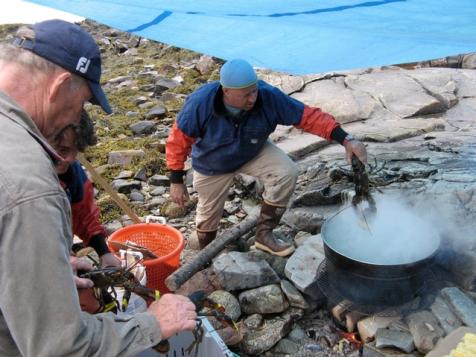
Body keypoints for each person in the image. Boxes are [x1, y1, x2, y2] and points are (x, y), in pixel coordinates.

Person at [0, 19, 196, 356]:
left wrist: (42, 274)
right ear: (61, 85)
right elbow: (60, 348)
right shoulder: (30, 184)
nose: (75, 118)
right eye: (82, 105)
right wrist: (152, 324)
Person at [166, 58, 367, 256]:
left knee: (286, 172)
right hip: (212, 164)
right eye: (246, 95)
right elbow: (178, 139)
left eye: (254, 91)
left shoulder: (268, 97)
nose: (252, 98)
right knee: (208, 218)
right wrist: (176, 179)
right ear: (225, 91)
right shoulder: (201, 102)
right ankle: (206, 253)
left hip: (251, 151)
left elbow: (308, 117)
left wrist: (346, 139)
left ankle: (264, 235)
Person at [52, 110, 121, 268]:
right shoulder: (21, 178)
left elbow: (84, 216)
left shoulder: (72, 172)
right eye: (62, 150)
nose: (69, 159)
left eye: (75, 151)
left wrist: (104, 252)